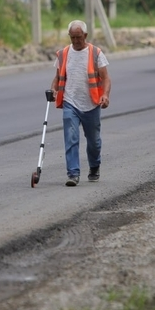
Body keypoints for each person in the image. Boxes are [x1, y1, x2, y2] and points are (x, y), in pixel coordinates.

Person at [50, 20, 111, 186]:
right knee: (71, 137)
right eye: (72, 37)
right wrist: (54, 89)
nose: (76, 41)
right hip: (70, 102)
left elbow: (105, 78)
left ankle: (94, 166)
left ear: (85, 36)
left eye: (79, 37)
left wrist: (105, 95)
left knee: (94, 142)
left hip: (91, 104)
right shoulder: (63, 54)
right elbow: (57, 77)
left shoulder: (96, 53)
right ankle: (73, 174)